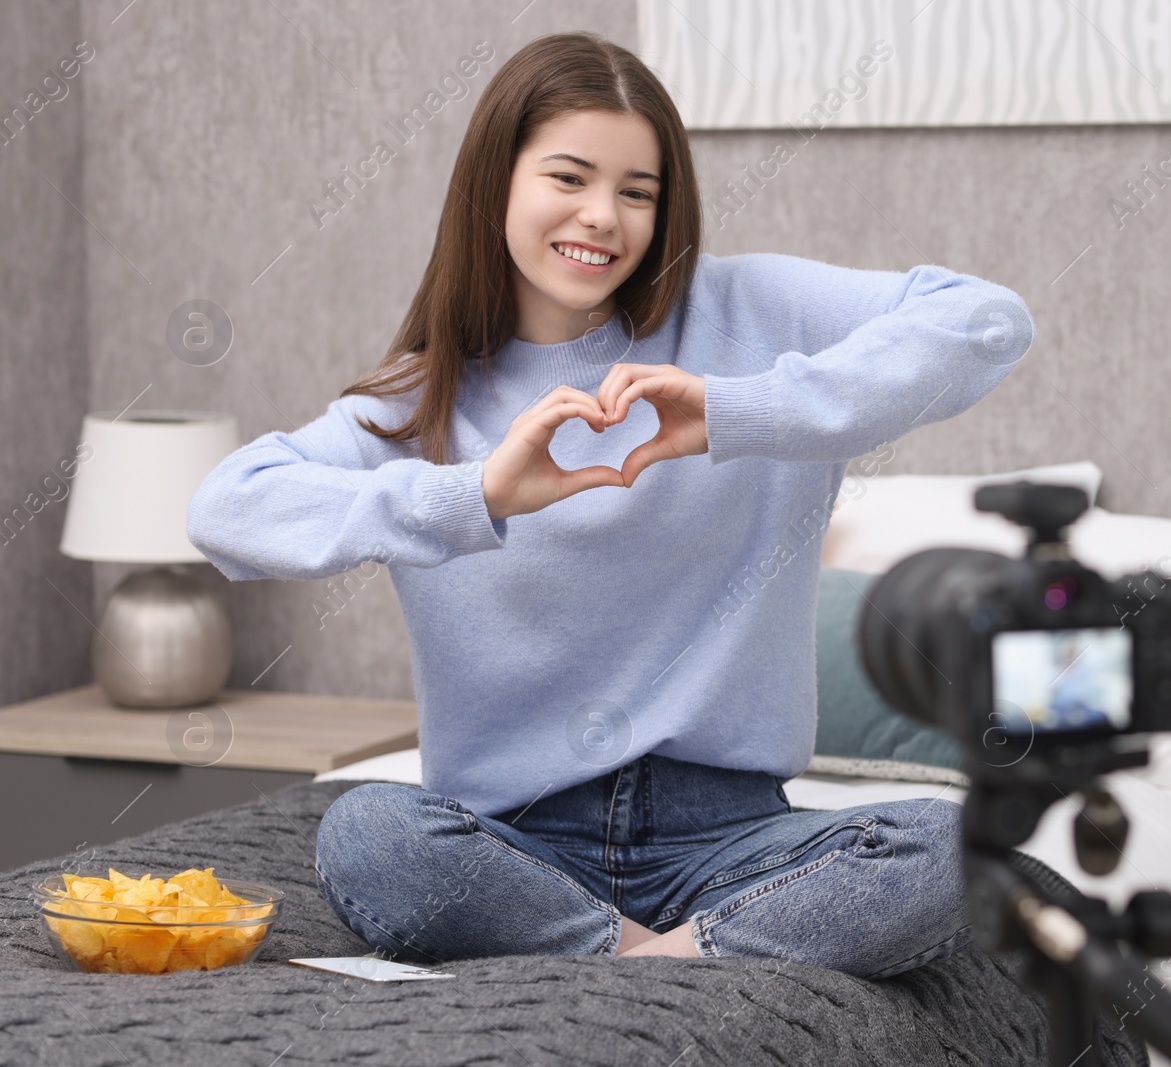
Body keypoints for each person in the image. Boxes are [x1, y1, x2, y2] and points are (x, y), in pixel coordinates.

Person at [186, 30, 1034, 980]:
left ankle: (640, 960)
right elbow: (226, 508)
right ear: (494, 181)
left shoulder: (752, 311)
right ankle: (675, 962)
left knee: (964, 843)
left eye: (639, 191)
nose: (604, 218)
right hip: (512, 845)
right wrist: (478, 493)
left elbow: (988, 321)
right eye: (570, 177)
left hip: (734, 841)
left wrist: (735, 410)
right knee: (367, 832)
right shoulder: (420, 397)